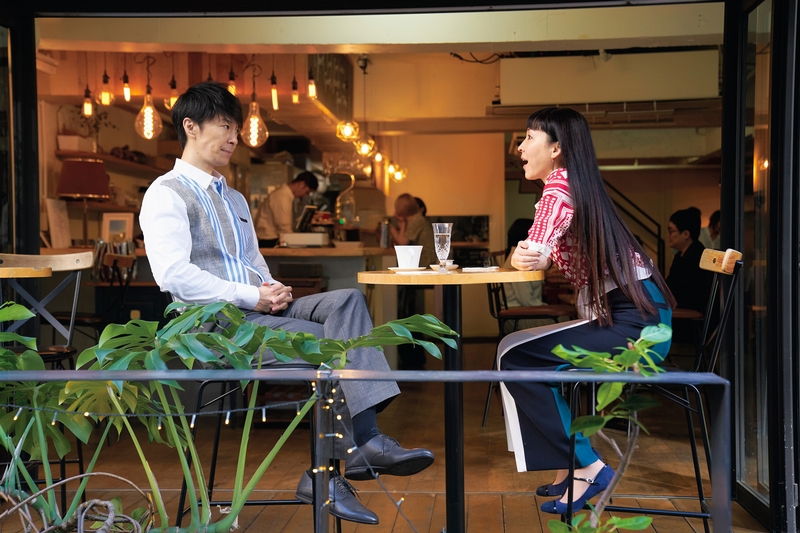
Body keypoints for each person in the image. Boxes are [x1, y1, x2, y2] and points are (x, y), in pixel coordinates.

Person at [139, 81, 434, 525]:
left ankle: (358, 448)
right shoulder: (167, 192)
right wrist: (250, 295)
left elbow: (253, 262)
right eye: (224, 127)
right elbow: (172, 275)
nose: (234, 138)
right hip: (214, 327)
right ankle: (337, 466)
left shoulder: (234, 197)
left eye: (236, 129)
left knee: (347, 303)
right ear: (190, 127)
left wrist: (272, 287)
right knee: (334, 345)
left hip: (257, 309)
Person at [500, 107, 675, 515]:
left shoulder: (559, 188)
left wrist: (523, 254)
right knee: (513, 347)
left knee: (515, 358)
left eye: (528, 138)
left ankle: (588, 467)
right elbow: (542, 253)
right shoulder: (573, 185)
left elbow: (534, 249)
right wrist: (531, 255)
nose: (520, 148)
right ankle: (569, 464)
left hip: (637, 328)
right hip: (641, 316)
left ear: (556, 148)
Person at [390, 193, 436, 369]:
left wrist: (392, 228)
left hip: (420, 271)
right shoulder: (418, 219)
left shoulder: (416, 221)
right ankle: (414, 359)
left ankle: (412, 360)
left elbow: (402, 242)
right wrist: (402, 223)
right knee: (412, 316)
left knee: (408, 315)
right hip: (421, 270)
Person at [501, 218, 552, 332]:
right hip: (518, 316)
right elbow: (526, 300)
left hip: (523, 313)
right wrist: (547, 308)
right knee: (567, 320)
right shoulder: (519, 262)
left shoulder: (518, 258)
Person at [253, 171, 319, 248]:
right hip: (269, 241)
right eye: (306, 192)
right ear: (301, 184)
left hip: (270, 240)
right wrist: (297, 245)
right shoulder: (281, 196)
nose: (304, 196)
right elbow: (283, 227)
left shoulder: (284, 195)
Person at [666, 208, 713, 313]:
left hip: (691, 314)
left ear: (686, 234)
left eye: (671, 231)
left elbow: (690, 295)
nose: (668, 235)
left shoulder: (700, 257)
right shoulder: (679, 256)